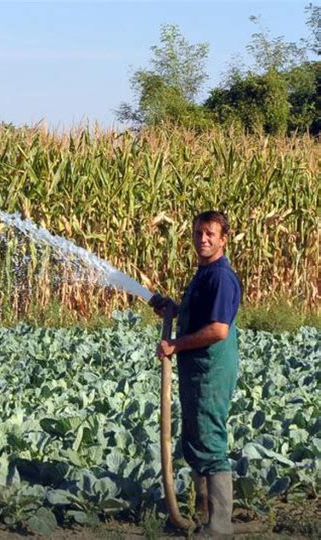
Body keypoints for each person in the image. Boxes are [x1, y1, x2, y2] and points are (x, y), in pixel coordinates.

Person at [153, 210, 242, 537]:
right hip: (199, 372)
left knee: (210, 443)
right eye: (198, 233)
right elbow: (203, 317)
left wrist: (175, 345)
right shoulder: (204, 273)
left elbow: (218, 330)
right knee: (195, 440)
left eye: (209, 234)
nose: (202, 239)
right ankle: (201, 515)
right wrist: (175, 310)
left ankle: (218, 528)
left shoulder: (220, 276)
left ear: (223, 238)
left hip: (210, 371)